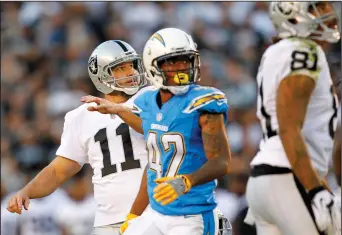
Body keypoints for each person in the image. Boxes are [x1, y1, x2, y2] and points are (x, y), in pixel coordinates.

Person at [82, 27, 232, 235]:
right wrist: (134, 214)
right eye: (173, 62)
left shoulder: (203, 102)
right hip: (156, 213)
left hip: (190, 215)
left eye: (185, 60)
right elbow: (154, 166)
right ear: (154, 65)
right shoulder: (147, 102)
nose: (181, 67)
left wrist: (185, 182)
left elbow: (221, 162)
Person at [6, 40, 151, 235]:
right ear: (102, 74)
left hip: (153, 214)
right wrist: (26, 191)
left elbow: (161, 132)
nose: (131, 72)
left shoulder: (152, 98)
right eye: (121, 68)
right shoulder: (82, 116)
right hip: (108, 221)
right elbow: (59, 171)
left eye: (132, 65)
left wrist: (120, 112)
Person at [245, 2, 341, 235]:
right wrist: (314, 189)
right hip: (288, 178)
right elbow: (288, 128)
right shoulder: (305, 51)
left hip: (267, 177)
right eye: (317, 6)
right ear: (293, 16)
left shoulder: (276, 51)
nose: (327, 12)